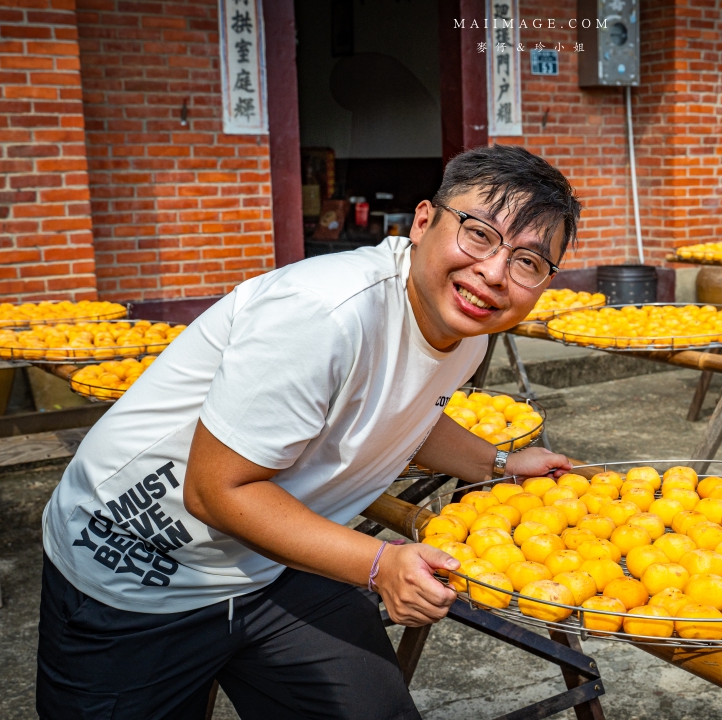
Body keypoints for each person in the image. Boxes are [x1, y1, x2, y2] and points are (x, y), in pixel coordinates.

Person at [36, 145, 583, 720]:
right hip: (140, 569)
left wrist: (496, 463)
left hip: (273, 557)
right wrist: (378, 565)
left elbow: (405, 409)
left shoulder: (466, 326)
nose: (493, 273)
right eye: (477, 234)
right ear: (423, 222)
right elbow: (216, 491)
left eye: (527, 261)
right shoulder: (324, 314)